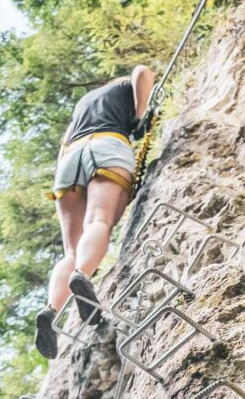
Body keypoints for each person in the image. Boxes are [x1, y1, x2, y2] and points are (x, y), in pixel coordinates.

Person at [34, 65, 156, 359]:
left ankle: (51, 310)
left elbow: (64, 144)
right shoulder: (123, 86)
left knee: (71, 250)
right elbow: (142, 72)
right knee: (98, 220)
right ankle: (82, 276)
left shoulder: (83, 104)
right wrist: (140, 116)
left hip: (69, 161)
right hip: (107, 145)